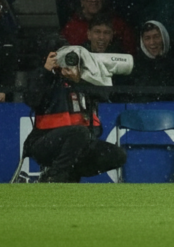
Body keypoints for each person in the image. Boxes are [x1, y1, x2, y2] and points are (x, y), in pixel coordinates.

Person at [22, 46, 128, 183]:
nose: (68, 63)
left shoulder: (84, 83)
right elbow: (32, 99)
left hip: (79, 144)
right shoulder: (46, 79)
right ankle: (52, 178)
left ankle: (68, 172)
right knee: (79, 132)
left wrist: (78, 79)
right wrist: (46, 71)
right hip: (44, 142)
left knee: (118, 155)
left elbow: (104, 94)